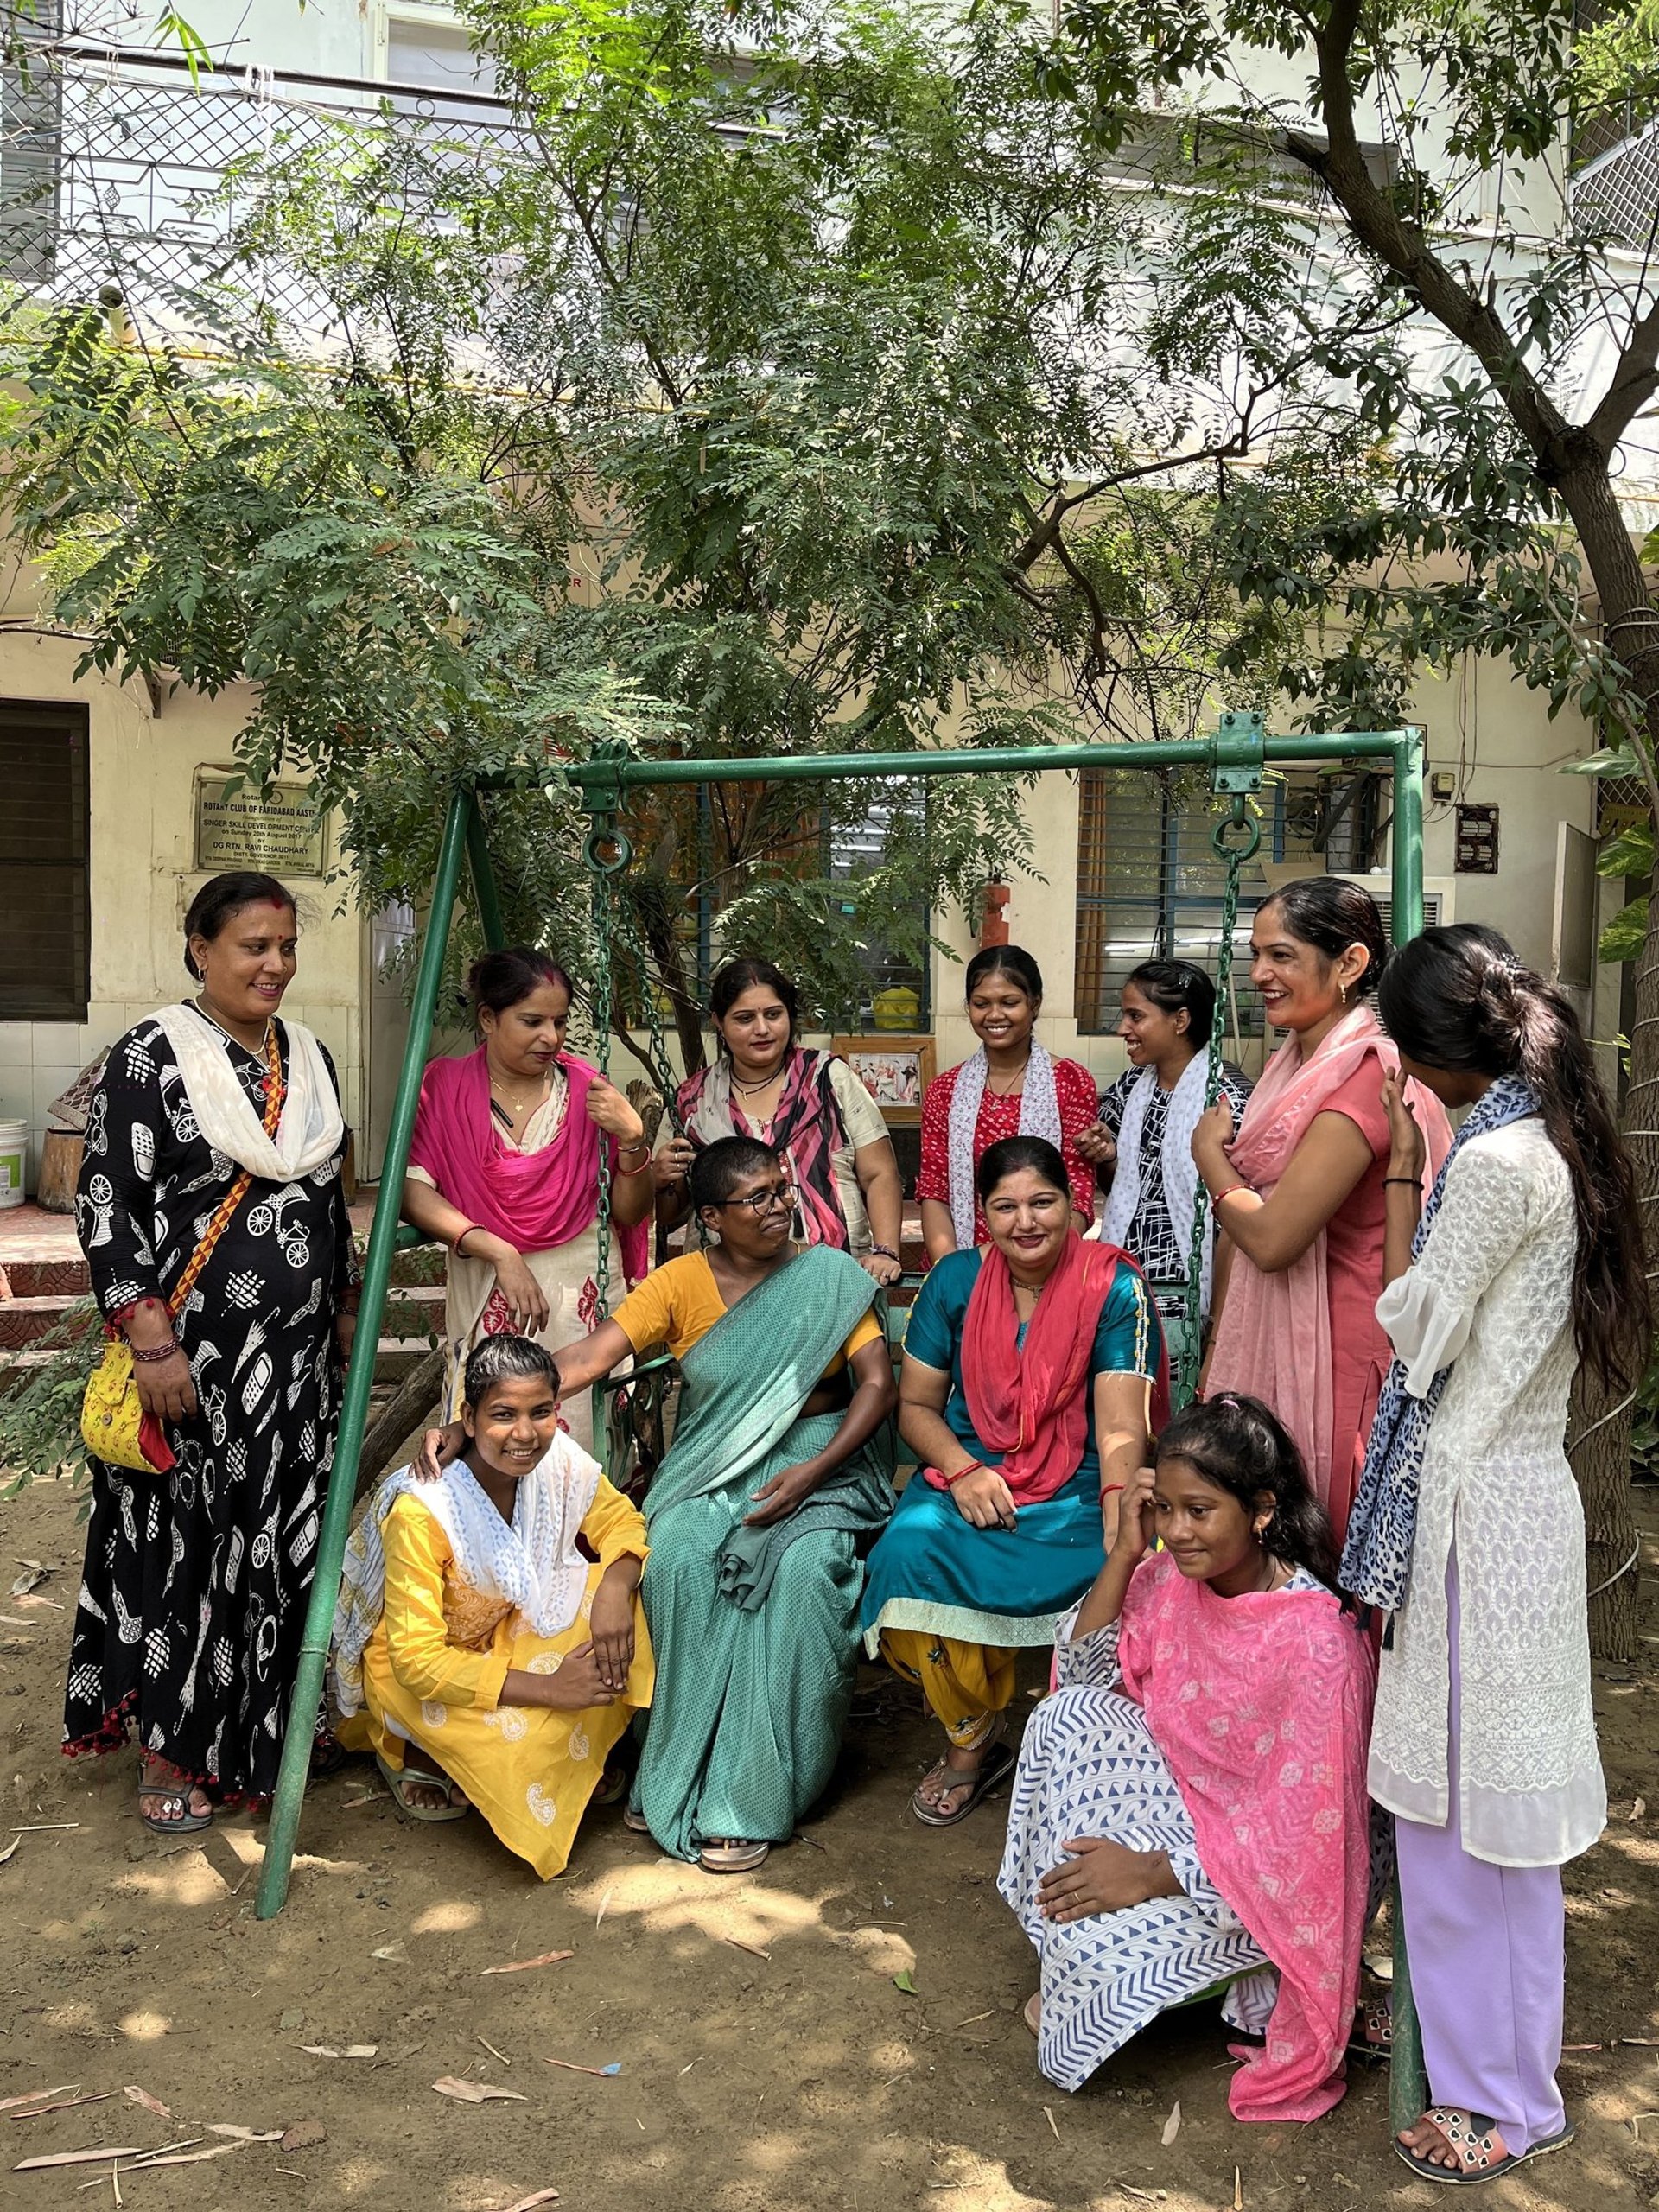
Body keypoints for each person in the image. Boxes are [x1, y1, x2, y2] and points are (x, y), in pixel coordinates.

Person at [1338, 926, 1649, 2184]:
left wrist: (1412, 1179)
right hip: (1520, 1504)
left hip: (1472, 1512)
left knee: (1459, 1833)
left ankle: (1494, 2102)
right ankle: (1517, 2090)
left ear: (1434, 1056)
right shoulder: (1560, 1143)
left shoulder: (1491, 1162)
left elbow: (1413, 1324)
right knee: (1500, 1830)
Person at [452, 1137, 898, 1874]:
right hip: (712, 1465)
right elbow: (587, 1359)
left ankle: (755, 1794)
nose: (779, 1207)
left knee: (806, 1573)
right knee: (679, 1557)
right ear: (714, 1217)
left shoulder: (829, 1276)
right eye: (756, 1198)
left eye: (782, 1190)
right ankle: (677, 1765)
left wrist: (811, 1475)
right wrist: (483, 1412)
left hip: (824, 1461)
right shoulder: (680, 1281)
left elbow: (876, 1385)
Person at [63, 871, 359, 1833]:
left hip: (296, 1368)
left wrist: (344, 1315)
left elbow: (325, 1202)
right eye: (251, 947)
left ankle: (266, 1738)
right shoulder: (150, 1057)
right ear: (200, 949)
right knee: (188, 1548)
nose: (274, 964)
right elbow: (106, 1205)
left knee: (280, 1546)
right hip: (193, 1371)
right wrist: (150, 1339)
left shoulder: (310, 1057)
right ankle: (173, 1750)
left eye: (285, 946)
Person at [998, 1395, 1376, 2121]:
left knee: (1092, 1961)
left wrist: (1147, 1874)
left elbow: (1306, 1845)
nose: (1176, 1531)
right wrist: (1124, 1552)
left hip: (1259, 1879)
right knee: (1065, 1719)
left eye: (1198, 1511)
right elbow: (1079, 1677)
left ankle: (1250, 1975)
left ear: (1261, 1510)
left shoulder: (1317, 1642)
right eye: (1164, 1508)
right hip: (1183, 1815)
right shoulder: (1170, 1580)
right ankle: (1112, 1949)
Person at [861, 1136, 1164, 1825]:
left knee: (1133, 1567)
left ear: (1074, 1203)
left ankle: (1098, 1752)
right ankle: (973, 1739)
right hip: (967, 1474)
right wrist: (963, 1470)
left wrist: (1122, 1520)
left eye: (1043, 1202)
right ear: (984, 1215)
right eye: (1006, 1207)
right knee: (904, 1555)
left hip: (1081, 1485)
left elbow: (1123, 1426)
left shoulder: (1114, 1285)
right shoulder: (955, 1281)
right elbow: (915, 1407)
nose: (1026, 1222)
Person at [331, 1337, 652, 1878]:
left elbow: (621, 1523)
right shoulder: (424, 1511)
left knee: (626, 1610)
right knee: (519, 1747)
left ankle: (567, 1759)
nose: (525, 1435)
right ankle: (413, 1754)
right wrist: (551, 1688)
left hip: (512, 1627)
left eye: (540, 1413)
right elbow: (418, 1662)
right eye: (503, 1414)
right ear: (469, 1420)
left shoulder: (560, 1464)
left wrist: (616, 1591)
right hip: (427, 1672)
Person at [1190, 879, 1450, 1538]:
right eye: (1256, 956)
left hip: (1344, 1354)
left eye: (1281, 956)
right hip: (1288, 1340)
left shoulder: (1367, 1074)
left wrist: (1211, 1161)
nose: (1259, 975)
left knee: (1324, 1538)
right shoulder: (1295, 1066)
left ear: (1351, 964)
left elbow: (1275, 1239)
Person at [403, 948, 653, 1452]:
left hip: (576, 1305)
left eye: (559, 1022)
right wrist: (497, 1249)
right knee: (490, 1442)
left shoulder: (586, 1092)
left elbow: (628, 1213)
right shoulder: (444, 1086)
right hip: (486, 1290)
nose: (552, 1038)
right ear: (488, 1019)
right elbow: (412, 1192)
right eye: (532, 1021)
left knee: (578, 1450)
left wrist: (632, 1139)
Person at [653, 957, 904, 1288]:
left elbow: (879, 1172)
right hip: (726, 1289)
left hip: (835, 1275)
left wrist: (886, 1251)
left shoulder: (828, 1079)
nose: (762, 1029)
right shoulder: (694, 1101)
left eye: (773, 1014)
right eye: (744, 1018)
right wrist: (659, 1179)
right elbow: (675, 1211)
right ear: (719, 1022)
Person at [1077, 960, 1252, 1373]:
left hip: (1194, 1285)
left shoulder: (1226, 1097)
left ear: (1181, 1020)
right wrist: (1109, 1156)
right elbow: (1119, 1187)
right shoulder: (1130, 1089)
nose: (1123, 1029)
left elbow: (1243, 1208)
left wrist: (1221, 1323)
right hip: (1127, 1280)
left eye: (1136, 1016)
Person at [918, 946, 1099, 1261]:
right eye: (981, 1004)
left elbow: (1078, 1190)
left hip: (1047, 1265)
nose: (994, 1015)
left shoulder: (1070, 1082)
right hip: (964, 1262)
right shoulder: (944, 1090)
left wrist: (1041, 1268)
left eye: (1010, 1002)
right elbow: (935, 1189)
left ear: (1035, 1004)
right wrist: (953, 1271)